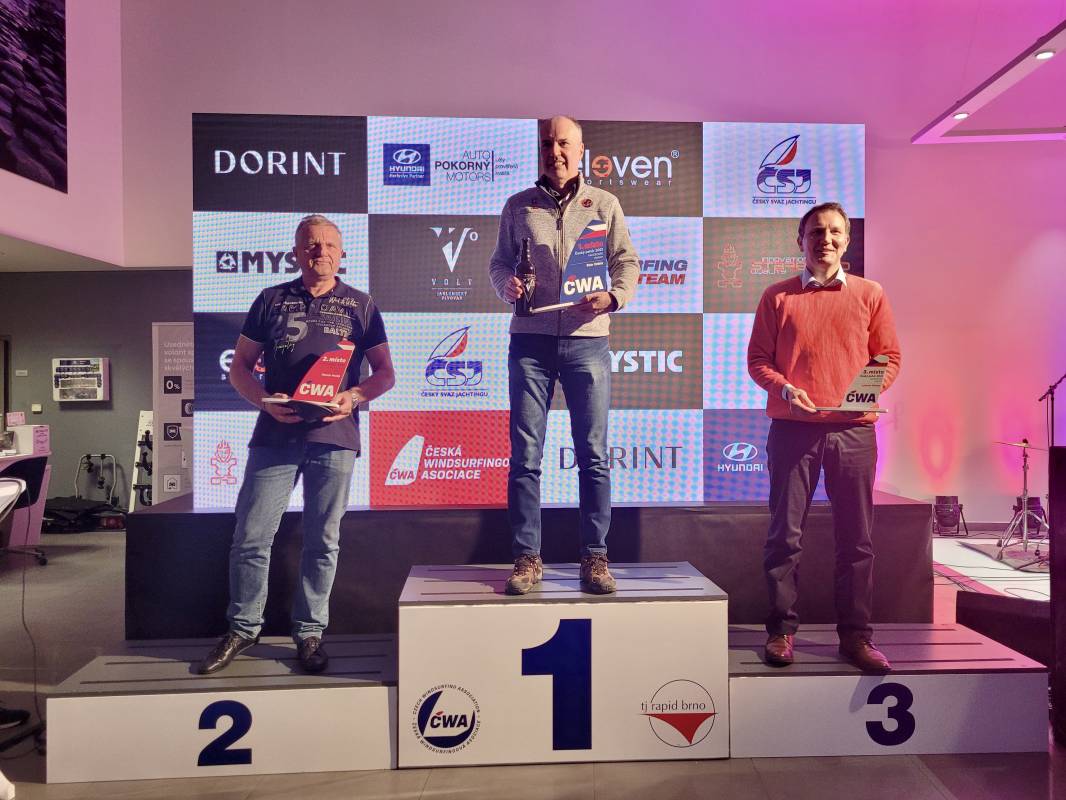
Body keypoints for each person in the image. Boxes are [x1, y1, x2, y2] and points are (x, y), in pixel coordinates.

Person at [198, 214, 394, 675]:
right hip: (275, 435)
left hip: (335, 438)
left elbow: (385, 373)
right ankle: (243, 628)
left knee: (323, 541)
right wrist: (263, 402)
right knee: (251, 536)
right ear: (295, 252)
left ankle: (309, 633)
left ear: (342, 254)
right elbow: (239, 368)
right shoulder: (270, 300)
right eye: (310, 244)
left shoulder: (361, 305)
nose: (320, 251)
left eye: (328, 245)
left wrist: (355, 396)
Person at [746, 201, 901, 672]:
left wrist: (861, 396)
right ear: (801, 241)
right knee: (784, 537)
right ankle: (781, 631)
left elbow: (888, 358)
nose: (825, 239)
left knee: (857, 540)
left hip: (854, 433)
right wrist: (785, 389)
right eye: (816, 232)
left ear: (847, 241)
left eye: (834, 231)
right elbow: (758, 360)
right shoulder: (777, 296)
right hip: (793, 432)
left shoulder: (871, 294)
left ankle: (856, 637)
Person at [489, 115, 639, 595]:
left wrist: (613, 297)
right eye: (547, 143)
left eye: (563, 143)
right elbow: (499, 263)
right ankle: (526, 558)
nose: (554, 151)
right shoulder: (518, 205)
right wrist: (505, 285)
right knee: (525, 455)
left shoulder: (605, 203)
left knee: (593, 454)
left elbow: (626, 261)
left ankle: (595, 557)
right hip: (529, 342)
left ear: (580, 150)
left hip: (587, 340)